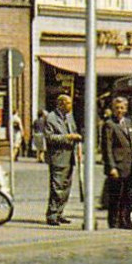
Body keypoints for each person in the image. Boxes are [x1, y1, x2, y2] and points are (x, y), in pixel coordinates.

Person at [39, 93, 82, 225]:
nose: (70, 106)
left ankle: (60, 212)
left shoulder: (69, 117)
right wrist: (68, 137)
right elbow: (49, 137)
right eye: (68, 103)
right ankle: (52, 214)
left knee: (66, 187)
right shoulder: (51, 118)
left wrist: (78, 148)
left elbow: (74, 130)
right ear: (61, 104)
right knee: (57, 187)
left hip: (70, 157)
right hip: (58, 157)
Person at [101, 96, 132, 230]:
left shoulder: (128, 122)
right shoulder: (109, 124)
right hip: (117, 165)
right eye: (117, 108)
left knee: (128, 196)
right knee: (116, 196)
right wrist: (112, 167)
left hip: (129, 164)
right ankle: (114, 221)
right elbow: (107, 147)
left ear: (126, 109)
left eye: (122, 108)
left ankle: (125, 219)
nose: (119, 110)